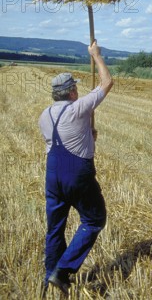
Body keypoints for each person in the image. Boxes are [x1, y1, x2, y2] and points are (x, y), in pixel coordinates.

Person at [39, 40, 113, 296]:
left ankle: (49, 275)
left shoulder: (44, 115)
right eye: (75, 90)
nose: (77, 94)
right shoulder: (77, 108)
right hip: (77, 176)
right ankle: (63, 270)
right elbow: (106, 83)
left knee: (55, 228)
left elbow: (61, 139)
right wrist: (96, 56)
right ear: (71, 92)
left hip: (53, 176)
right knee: (94, 220)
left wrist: (88, 135)